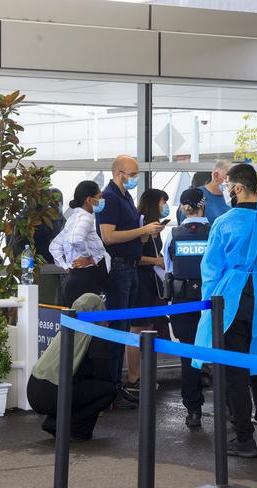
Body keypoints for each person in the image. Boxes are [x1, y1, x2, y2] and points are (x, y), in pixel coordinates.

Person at [193, 163, 257, 458]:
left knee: (235, 370)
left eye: (227, 186)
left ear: (236, 188)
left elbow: (210, 269)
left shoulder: (224, 222)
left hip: (232, 298)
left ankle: (244, 437)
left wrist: (209, 308)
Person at [97, 155, 164, 406]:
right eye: (132, 174)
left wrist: (145, 236)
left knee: (125, 327)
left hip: (131, 266)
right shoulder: (110, 197)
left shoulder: (124, 196)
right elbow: (109, 237)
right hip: (119, 267)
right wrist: (142, 231)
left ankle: (117, 386)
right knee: (119, 328)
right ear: (118, 173)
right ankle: (111, 389)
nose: (135, 178)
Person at [27, 293, 118, 441]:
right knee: (108, 391)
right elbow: (104, 375)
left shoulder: (67, 329)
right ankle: (72, 427)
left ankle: (55, 423)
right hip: (52, 392)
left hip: (33, 389)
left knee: (80, 388)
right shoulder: (95, 335)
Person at [162, 188, 210, 429]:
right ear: (204, 206)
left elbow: (169, 267)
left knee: (189, 356)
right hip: (213, 302)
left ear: (183, 208)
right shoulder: (215, 232)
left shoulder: (173, 235)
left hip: (183, 302)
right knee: (223, 353)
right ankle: (231, 407)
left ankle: (193, 410)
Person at [124, 189, 169, 396]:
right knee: (137, 328)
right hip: (140, 280)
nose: (165, 205)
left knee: (148, 328)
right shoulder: (140, 225)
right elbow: (135, 256)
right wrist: (156, 261)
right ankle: (134, 377)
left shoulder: (154, 227)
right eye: (163, 201)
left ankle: (143, 374)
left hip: (151, 281)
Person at [50, 181, 110, 308]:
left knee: (74, 325)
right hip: (85, 284)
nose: (102, 200)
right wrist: (87, 257)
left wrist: (66, 265)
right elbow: (76, 239)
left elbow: (54, 246)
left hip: (75, 280)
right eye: (99, 197)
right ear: (89, 200)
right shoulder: (85, 218)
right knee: (87, 325)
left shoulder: (72, 219)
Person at [14, 187, 66, 305]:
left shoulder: (24, 218)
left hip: (33, 270)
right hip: (44, 271)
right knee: (46, 306)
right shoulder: (41, 220)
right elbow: (48, 247)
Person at [178, 160, 232, 225]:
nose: (231, 183)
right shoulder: (195, 196)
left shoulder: (231, 198)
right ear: (216, 175)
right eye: (228, 179)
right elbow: (184, 228)